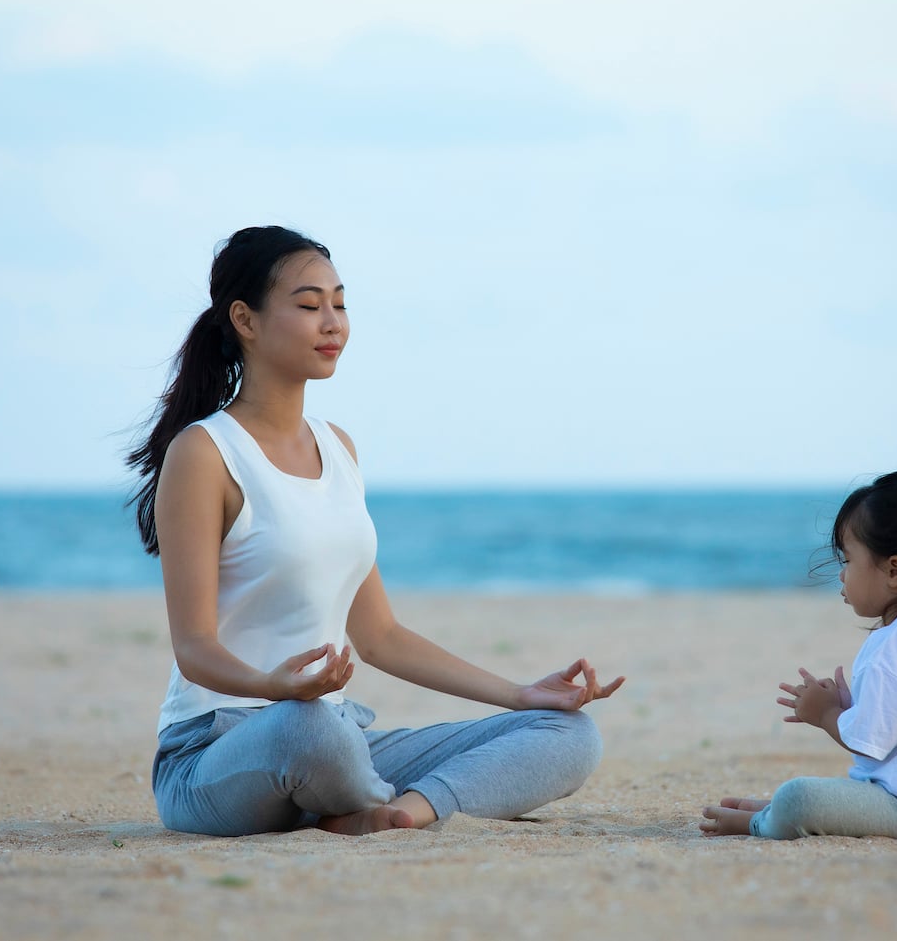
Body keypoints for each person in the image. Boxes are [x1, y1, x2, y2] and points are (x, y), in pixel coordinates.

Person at [127, 225, 624, 837]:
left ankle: (397, 813)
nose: (332, 322)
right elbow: (194, 647)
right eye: (309, 306)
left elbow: (381, 636)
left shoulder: (339, 450)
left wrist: (520, 694)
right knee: (307, 728)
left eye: (340, 303)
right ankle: (357, 795)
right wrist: (274, 686)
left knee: (569, 734)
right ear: (245, 320)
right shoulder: (205, 453)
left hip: (336, 740)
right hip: (213, 756)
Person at [700, 468, 897, 841]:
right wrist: (849, 703)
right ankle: (774, 808)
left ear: (894, 571)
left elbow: (871, 743)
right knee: (804, 796)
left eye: (848, 560)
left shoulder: (893, 646)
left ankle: (760, 822)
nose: (841, 575)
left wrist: (825, 713)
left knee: (799, 797)